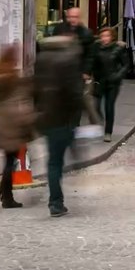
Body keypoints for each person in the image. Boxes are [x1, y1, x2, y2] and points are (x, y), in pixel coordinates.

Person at [33, 33, 83, 217]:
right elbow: (74, 93)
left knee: (53, 161)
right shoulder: (67, 61)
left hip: (46, 118)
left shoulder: (41, 60)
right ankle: (56, 202)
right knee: (57, 160)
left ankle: (55, 201)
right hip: (63, 118)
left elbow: (35, 88)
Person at [0, 45, 36, 209]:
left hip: (2, 122)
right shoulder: (12, 78)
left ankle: (6, 194)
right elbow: (21, 100)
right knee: (10, 161)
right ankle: (7, 195)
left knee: (8, 160)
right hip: (12, 123)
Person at [91, 27, 127, 142]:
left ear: (112, 37)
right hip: (100, 81)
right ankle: (100, 121)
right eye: (102, 36)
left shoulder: (118, 49)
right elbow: (92, 63)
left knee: (109, 107)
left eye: (107, 36)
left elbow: (126, 64)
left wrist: (117, 76)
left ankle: (108, 132)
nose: (105, 38)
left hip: (113, 82)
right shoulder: (96, 48)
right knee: (95, 106)